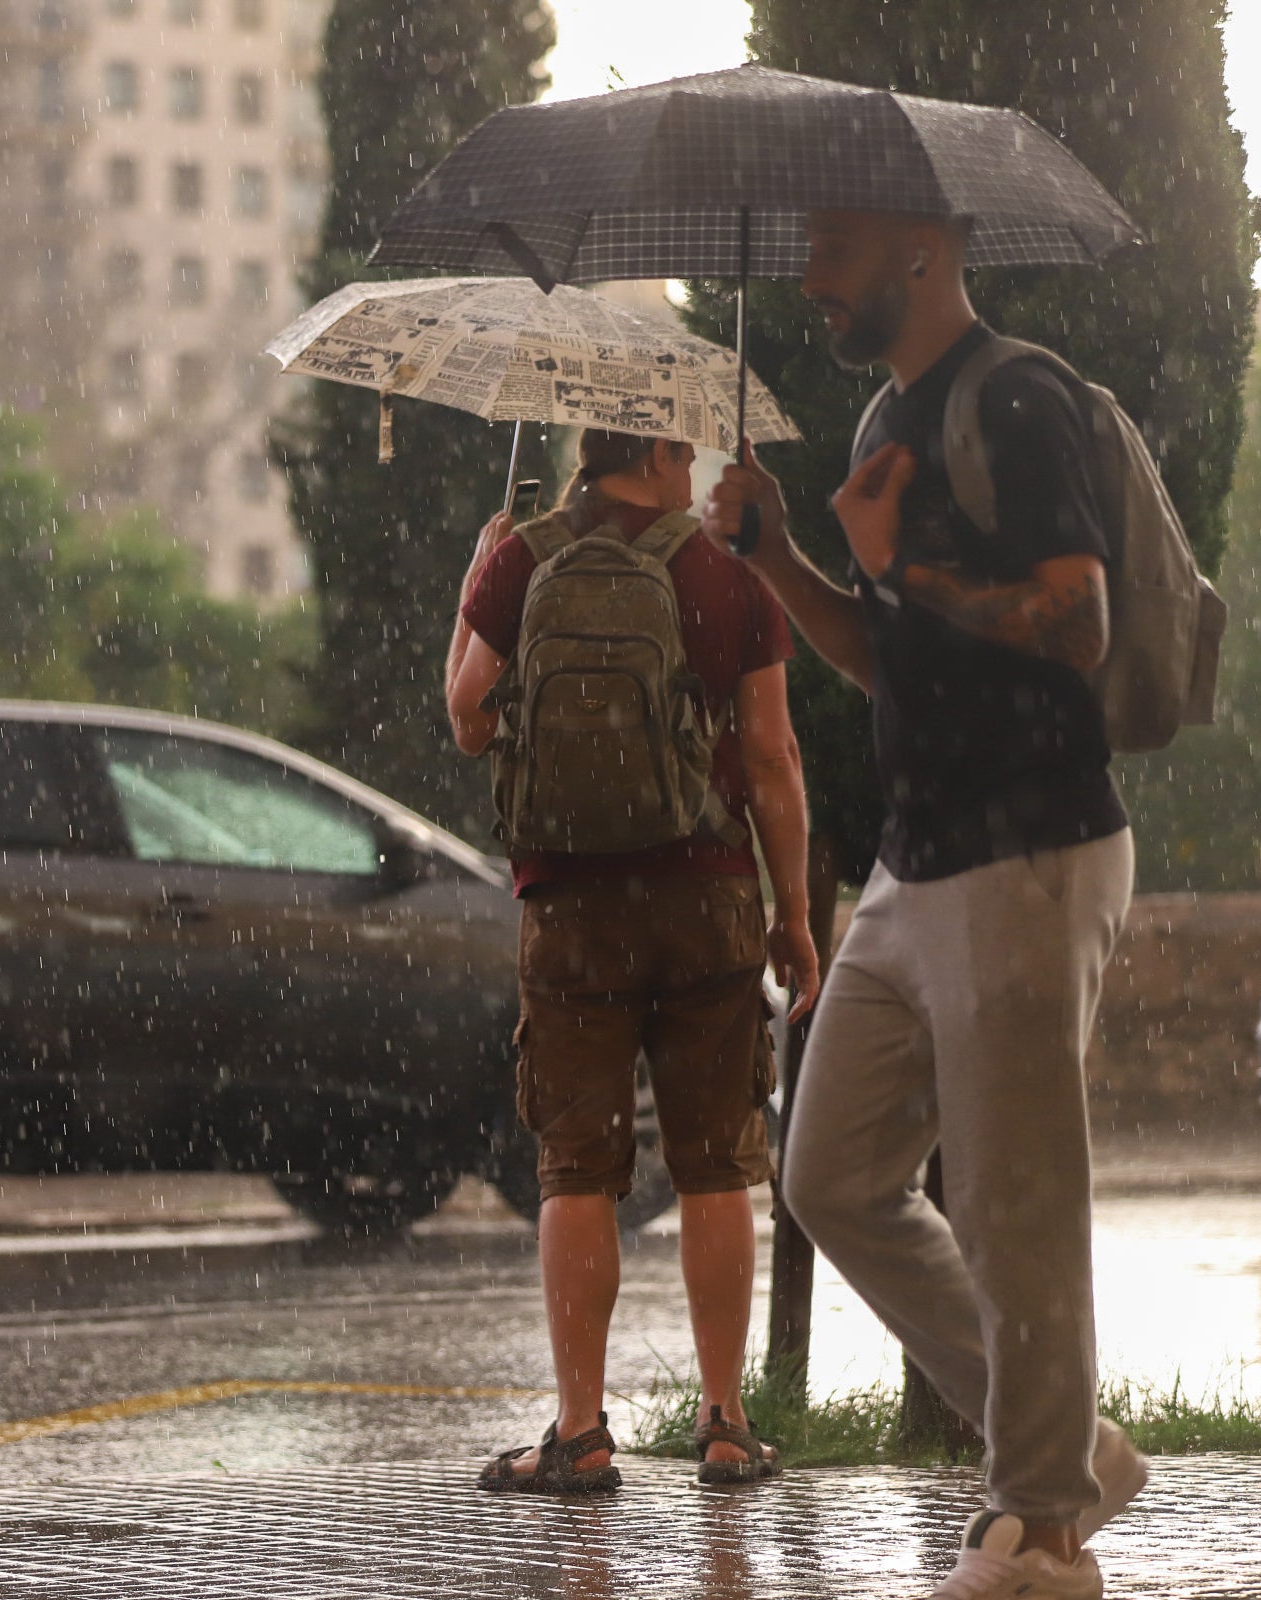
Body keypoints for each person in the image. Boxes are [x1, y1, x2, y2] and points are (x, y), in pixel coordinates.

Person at [706, 209, 1143, 1600]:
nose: (809, 280)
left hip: (1029, 848)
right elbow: (875, 651)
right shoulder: (878, 425)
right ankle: (1070, 1450)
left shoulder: (1018, 399)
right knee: (827, 1171)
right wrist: (780, 555)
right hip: (916, 860)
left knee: (1020, 1203)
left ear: (921, 248)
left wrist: (905, 567)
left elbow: (1081, 620)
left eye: (832, 252)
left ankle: (1043, 1529)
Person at [445, 427, 820, 1494]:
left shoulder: (520, 555)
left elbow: (467, 718)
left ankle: (580, 1430)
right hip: (706, 897)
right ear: (653, 450)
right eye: (684, 449)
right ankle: (727, 1423)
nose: (695, 468)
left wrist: (474, 582)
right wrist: (792, 915)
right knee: (715, 1165)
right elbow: (771, 755)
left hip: (569, 902)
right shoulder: (728, 568)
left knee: (577, 1171)